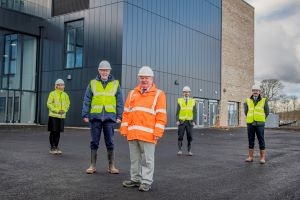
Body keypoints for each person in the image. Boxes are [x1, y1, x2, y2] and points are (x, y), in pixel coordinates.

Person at [120, 66, 167, 192]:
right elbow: (126, 113)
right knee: (134, 159)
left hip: (148, 134)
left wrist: (158, 132)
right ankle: (135, 179)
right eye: (142, 77)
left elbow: (161, 115)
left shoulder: (159, 94)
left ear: (152, 78)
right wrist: (124, 129)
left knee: (147, 160)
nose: (144, 80)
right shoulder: (132, 93)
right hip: (133, 133)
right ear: (139, 78)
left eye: (147, 77)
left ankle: (146, 181)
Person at [82, 60, 124, 174]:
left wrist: (120, 115)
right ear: (99, 71)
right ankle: (92, 165)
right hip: (95, 117)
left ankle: (111, 166)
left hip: (109, 118)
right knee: (94, 142)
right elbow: (87, 99)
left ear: (110, 71)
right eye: (102, 70)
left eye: (106, 70)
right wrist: (85, 114)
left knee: (110, 142)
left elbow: (120, 101)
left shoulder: (115, 84)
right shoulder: (92, 83)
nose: (104, 72)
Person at [244, 84, 269, 164]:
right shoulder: (247, 100)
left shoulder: (264, 100)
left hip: (260, 124)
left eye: (257, 90)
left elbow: (267, 112)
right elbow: (246, 112)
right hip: (250, 123)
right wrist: (250, 118)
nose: (255, 92)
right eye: (254, 90)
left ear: (259, 92)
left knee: (261, 139)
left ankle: (262, 158)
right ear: (252, 91)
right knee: (250, 140)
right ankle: (250, 157)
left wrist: (261, 120)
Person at [47, 79, 70, 155]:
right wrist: (57, 110)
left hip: (61, 116)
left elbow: (68, 104)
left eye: (62, 85)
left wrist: (64, 110)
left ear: (64, 86)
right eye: (59, 85)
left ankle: (56, 147)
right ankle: (52, 147)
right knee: (53, 132)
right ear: (56, 86)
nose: (60, 86)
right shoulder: (52, 94)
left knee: (58, 133)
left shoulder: (65, 95)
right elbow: (49, 104)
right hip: (53, 116)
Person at [176, 86, 196, 156]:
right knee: (180, 136)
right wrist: (177, 120)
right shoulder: (180, 100)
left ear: (189, 93)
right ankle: (179, 150)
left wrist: (194, 121)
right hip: (181, 121)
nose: (186, 93)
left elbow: (194, 112)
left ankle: (189, 150)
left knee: (190, 136)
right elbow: (178, 111)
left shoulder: (193, 101)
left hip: (190, 122)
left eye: (187, 92)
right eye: (185, 92)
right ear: (183, 93)